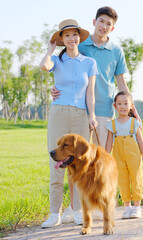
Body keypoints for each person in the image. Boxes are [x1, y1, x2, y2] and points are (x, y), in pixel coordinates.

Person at [51, 6, 140, 222]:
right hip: (80, 111)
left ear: (113, 27)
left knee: (99, 162)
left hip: (103, 112)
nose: (104, 26)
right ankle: (75, 210)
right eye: (101, 21)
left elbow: (121, 82)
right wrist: (53, 89)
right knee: (75, 161)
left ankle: (100, 205)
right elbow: (66, 70)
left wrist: (132, 108)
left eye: (108, 24)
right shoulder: (81, 45)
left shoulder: (116, 51)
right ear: (94, 22)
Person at [40, 19, 98, 228]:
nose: (72, 39)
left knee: (80, 165)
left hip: (81, 115)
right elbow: (44, 66)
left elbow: (90, 93)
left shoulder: (89, 62)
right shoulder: (57, 60)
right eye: (67, 36)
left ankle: (77, 211)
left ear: (79, 37)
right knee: (56, 165)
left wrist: (92, 115)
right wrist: (49, 49)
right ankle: (54, 213)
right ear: (62, 39)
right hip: (59, 113)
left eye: (75, 35)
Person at [105, 91, 143, 219]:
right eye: (119, 103)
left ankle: (137, 207)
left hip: (134, 155)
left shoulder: (134, 123)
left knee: (136, 179)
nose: (122, 106)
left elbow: (140, 140)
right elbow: (108, 143)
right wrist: (106, 157)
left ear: (131, 106)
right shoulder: (111, 124)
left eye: (125, 103)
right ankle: (127, 207)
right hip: (118, 156)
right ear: (115, 106)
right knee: (122, 180)